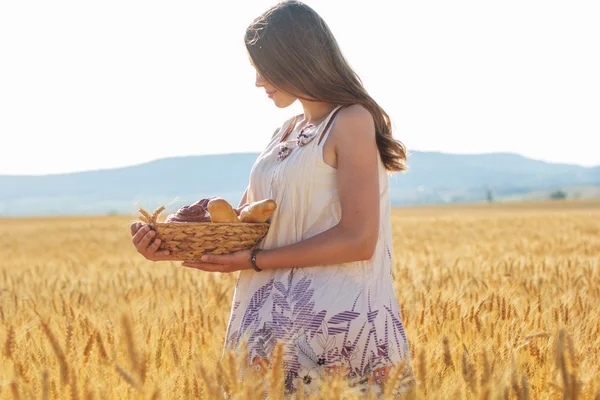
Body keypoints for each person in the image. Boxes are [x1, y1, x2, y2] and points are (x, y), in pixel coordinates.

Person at [131, 0, 413, 396]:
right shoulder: (284, 132)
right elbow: (244, 225)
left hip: (335, 332)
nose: (259, 82)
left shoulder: (350, 121)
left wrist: (252, 261)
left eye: (264, 68)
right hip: (265, 331)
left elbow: (359, 239)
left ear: (295, 59)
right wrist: (170, 243)